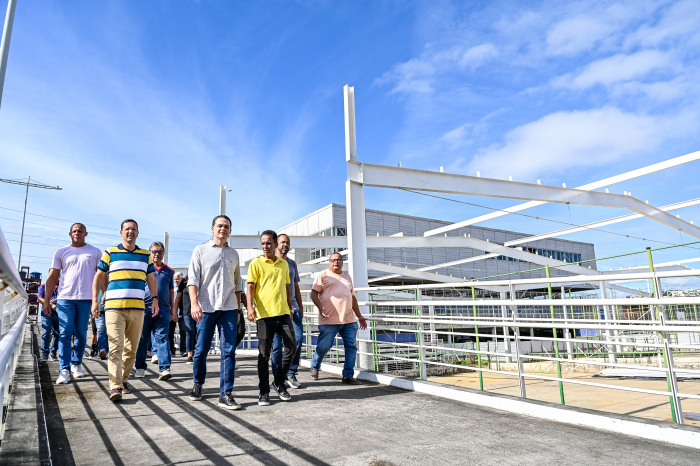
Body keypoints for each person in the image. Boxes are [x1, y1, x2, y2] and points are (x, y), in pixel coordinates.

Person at [92, 219, 159, 401]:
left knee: (132, 349)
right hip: (114, 308)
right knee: (115, 348)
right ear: (121, 232)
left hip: (138, 308)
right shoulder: (110, 252)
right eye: (127, 229)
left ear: (138, 233)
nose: (130, 232)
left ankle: (123, 379)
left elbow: (152, 279)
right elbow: (98, 277)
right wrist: (94, 302)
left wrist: (154, 299)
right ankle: (115, 387)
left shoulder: (145, 255)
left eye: (133, 229)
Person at [187, 215, 242, 410]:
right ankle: (198, 384)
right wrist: (194, 303)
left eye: (226, 226)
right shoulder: (200, 251)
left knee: (229, 351)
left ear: (230, 231)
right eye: (219, 226)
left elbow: (238, 284)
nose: (222, 229)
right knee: (201, 350)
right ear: (212, 229)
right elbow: (192, 279)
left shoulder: (234, 254)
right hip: (206, 307)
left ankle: (226, 394)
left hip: (229, 307)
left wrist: (239, 309)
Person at [43, 223, 102, 385]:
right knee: (65, 333)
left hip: (86, 299)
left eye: (80, 231)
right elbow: (52, 277)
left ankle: (76, 364)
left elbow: (101, 276)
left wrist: (103, 297)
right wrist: (46, 301)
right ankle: (64, 369)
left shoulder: (95, 252)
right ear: (70, 234)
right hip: (65, 298)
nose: (77, 233)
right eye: (74, 231)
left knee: (81, 334)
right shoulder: (61, 252)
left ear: (86, 233)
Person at [247, 230, 296, 406]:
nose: (265, 246)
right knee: (264, 355)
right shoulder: (256, 263)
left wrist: (291, 308)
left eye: (268, 243)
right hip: (264, 315)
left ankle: (279, 382)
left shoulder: (284, 264)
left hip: (283, 313)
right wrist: (250, 307)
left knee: (292, 347)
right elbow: (250, 286)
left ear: (275, 244)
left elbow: (288, 287)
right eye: (263, 243)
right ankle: (264, 391)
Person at [309, 252, 367, 384]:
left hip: (348, 319)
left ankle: (348, 376)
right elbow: (313, 294)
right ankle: (315, 366)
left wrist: (360, 316)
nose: (336, 262)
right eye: (334, 260)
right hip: (329, 318)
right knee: (324, 346)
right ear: (329, 262)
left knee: (351, 347)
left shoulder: (347, 277)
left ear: (342, 262)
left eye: (339, 260)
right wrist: (320, 307)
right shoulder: (323, 275)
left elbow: (352, 298)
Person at [134, 242, 175, 380]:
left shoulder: (169, 271)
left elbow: (171, 293)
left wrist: (173, 309)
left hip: (163, 309)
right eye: (154, 251)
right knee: (143, 339)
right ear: (150, 253)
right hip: (145, 308)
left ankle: (164, 368)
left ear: (163, 253)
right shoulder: (144, 269)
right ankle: (139, 367)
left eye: (159, 252)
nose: (157, 254)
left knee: (162, 338)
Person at [270, 234, 304, 389]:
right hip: (275, 310)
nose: (285, 244)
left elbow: (295, 286)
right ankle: (278, 378)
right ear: (277, 244)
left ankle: (290, 372)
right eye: (282, 242)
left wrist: (301, 308)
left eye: (287, 242)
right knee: (276, 347)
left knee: (296, 340)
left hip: (293, 309)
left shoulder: (292, 264)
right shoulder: (270, 262)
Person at [174, 274, 195, 364]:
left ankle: (195, 351)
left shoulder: (201, 281)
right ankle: (189, 354)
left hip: (200, 311)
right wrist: (174, 312)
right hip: (187, 312)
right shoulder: (183, 282)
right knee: (189, 332)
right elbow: (178, 298)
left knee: (198, 332)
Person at [38, 280, 59, 362]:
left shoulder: (62, 286)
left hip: (58, 313)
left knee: (58, 334)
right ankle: (45, 354)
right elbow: (40, 298)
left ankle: (53, 352)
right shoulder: (44, 286)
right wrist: (50, 303)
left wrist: (57, 299)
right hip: (46, 313)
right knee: (46, 333)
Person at [170, 271, 187, 357]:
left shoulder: (184, 288)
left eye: (178, 279)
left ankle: (183, 350)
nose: (176, 281)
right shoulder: (172, 288)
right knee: (170, 332)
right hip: (172, 313)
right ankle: (171, 349)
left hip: (181, 313)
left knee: (183, 332)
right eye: (175, 279)